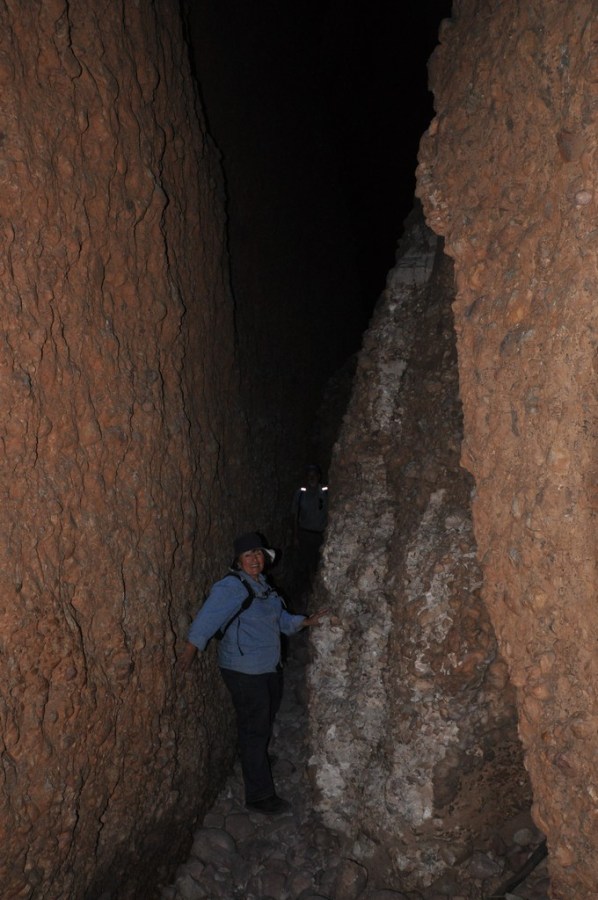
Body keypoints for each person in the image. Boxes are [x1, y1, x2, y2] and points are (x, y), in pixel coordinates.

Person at [177, 531, 328, 815]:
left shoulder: (264, 586)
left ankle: (254, 758)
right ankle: (259, 796)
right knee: (255, 727)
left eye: (258, 553)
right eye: (248, 555)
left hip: (267, 665)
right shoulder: (232, 587)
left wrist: (305, 622)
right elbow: (207, 618)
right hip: (244, 669)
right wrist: (190, 650)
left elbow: (280, 620)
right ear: (238, 561)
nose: (255, 559)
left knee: (264, 717)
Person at [291, 464, 328, 603]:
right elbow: (295, 515)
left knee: (319, 564)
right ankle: (307, 592)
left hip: (320, 535)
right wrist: (295, 536)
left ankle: (317, 592)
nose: (312, 478)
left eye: (314, 475)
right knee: (306, 564)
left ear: (319, 476)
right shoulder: (300, 493)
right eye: (309, 475)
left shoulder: (325, 492)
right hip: (305, 534)